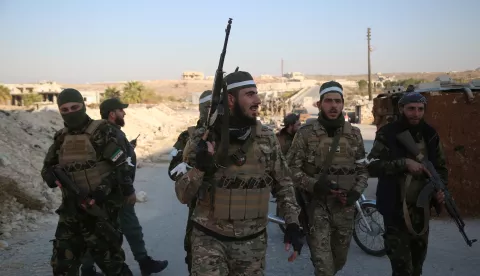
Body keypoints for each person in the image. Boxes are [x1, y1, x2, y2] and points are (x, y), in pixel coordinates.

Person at [175, 70, 303, 276]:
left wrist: (293, 223)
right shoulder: (203, 138)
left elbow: (284, 184)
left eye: (257, 93)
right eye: (250, 94)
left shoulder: (267, 138)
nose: (258, 100)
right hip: (210, 241)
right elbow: (183, 195)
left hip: (253, 245)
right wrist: (199, 167)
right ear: (231, 99)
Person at [41, 88, 133, 275]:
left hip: (100, 211)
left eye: (74, 107)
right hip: (70, 212)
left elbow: (122, 168)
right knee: (62, 266)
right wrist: (50, 177)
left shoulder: (103, 131)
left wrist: (101, 192)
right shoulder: (61, 137)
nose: (70, 113)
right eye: (64, 110)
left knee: (113, 265)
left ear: (83, 105)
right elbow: (48, 167)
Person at [286, 81, 369, 276]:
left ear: (343, 103)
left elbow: (363, 169)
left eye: (338, 101)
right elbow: (290, 169)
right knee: (324, 267)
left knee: (339, 261)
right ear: (319, 104)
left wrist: (355, 193)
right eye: (329, 101)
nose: (334, 106)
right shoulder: (306, 134)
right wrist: (314, 185)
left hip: (345, 208)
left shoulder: (354, 135)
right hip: (317, 208)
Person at [80, 98, 169, 276]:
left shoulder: (106, 132)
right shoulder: (111, 133)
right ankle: (143, 262)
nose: (124, 113)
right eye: (121, 110)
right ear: (112, 114)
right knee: (130, 229)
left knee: (95, 231)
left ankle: (88, 269)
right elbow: (118, 165)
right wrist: (128, 190)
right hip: (116, 192)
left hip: (105, 191)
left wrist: (129, 147)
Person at [367, 92, 447, 276]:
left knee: (417, 267)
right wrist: (403, 164)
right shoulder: (387, 134)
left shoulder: (430, 134)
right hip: (395, 211)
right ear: (402, 109)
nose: (416, 114)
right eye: (411, 109)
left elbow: (441, 168)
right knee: (402, 269)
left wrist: (439, 189)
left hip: (420, 212)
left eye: (420, 109)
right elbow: (372, 166)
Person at [167, 90, 212, 274]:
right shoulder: (187, 136)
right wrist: (188, 171)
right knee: (194, 254)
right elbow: (173, 169)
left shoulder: (231, 134)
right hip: (198, 205)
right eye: (208, 107)